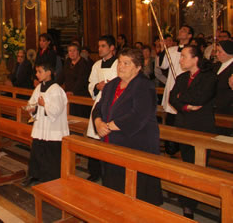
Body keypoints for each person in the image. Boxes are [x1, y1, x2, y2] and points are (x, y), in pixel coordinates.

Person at [93, 48, 162, 206]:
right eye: (119, 63)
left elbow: (139, 114)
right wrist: (98, 122)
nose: (121, 66)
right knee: (114, 186)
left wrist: (110, 126)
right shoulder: (112, 85)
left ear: (138, 67)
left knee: (136, 191)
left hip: (137, 142)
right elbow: (99, 107)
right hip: (112, 142)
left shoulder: (144, 85)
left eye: (126, 63)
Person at [169, 45, 217, 219]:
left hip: (201, 127)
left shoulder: (209, 77)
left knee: (198, 165)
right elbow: (172, 98)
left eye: (183, 56)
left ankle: (191, 202)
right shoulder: (182, 77)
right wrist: (186, 105)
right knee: (187, 163)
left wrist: (183, 98)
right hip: (184, 125)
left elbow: (201, 98)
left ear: (195, 59)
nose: (180, 60)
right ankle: (187, 198)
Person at [21, 61, 69, 187]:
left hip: (53, 129)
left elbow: (57, 110)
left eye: (40, 71)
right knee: (37, 151)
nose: (37, 74)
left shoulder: (56, 90)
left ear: (48, 73)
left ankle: (50, 178)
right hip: (41, 126)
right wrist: (31, 108)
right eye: (37, 71)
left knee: (50, 154)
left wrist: (44, 105)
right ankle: (35, 175)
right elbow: (32, 102)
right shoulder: (38, 87)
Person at [86, 35, 118, 182]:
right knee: (93, 139)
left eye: (103, 46)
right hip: (99, 102)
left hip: (114, 105)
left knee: (109, 139)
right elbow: (90, 84)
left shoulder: (119, 64)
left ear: (112, 48)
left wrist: (110, 87)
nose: (99, 49)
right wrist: (97, 87)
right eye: (99, 46)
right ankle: (94, 172)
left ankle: (109, 174)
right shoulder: (96, 65)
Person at [57, 43, 91, 117]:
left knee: (78, 116)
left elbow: (82, 80)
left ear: (78, 52)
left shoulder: (83, 63)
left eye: (74, 51)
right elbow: (62, 76)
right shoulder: (68, 61)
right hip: (68, 93)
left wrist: (73, 91)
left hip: (80, 93)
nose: (71, 53)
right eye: (69, 51)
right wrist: (54, 85)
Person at [212, 40, 233, 118]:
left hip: (227, 108)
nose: (217, 54)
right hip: (215, 106)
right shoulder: (216, 65)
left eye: (219, 51)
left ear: (229, 52)